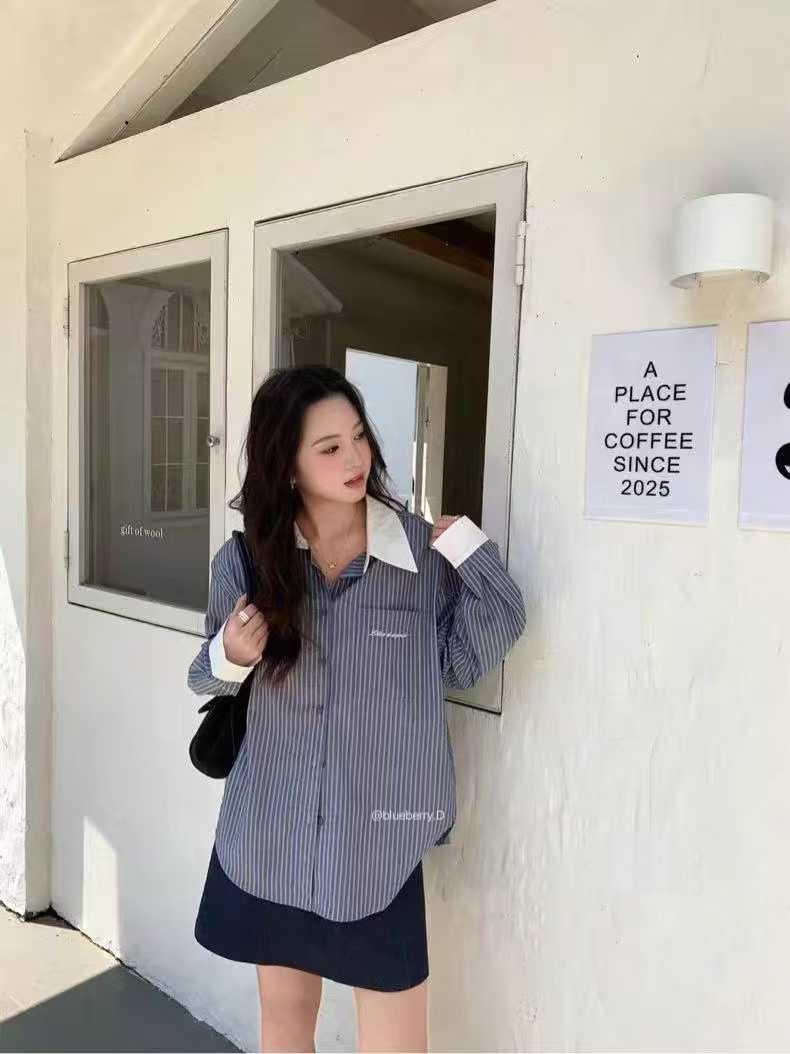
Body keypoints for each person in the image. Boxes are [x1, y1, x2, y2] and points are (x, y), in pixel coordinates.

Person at [187, 364, 527, 1053]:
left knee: (397, 1042)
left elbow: (469, 655)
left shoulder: (422, 556)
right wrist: (232, 653)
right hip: (271, 833)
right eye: (329, 447)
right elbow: (206, 679)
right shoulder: (249, 561)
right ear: (287, 465)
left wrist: (470, 551)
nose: (355, 458)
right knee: (285, 1021)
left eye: (359, 437)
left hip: (377, 845)